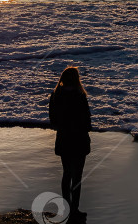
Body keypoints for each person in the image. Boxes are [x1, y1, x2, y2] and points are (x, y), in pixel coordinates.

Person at [49, 66, 91, 221]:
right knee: (77, 176)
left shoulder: (55, 96)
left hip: (64, 139)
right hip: (78, 140)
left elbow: (53, 120)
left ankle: (66, 207)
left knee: (66, 173)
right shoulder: (79, 96)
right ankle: (75, 209)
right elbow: (87, 121)